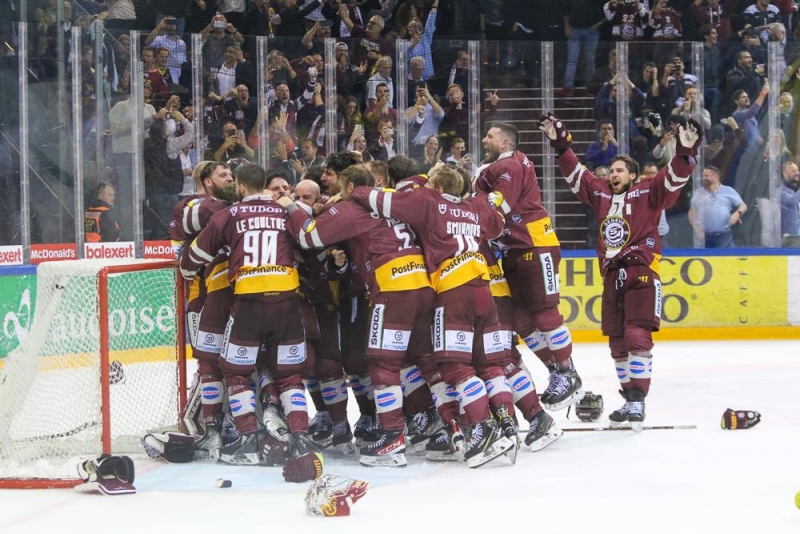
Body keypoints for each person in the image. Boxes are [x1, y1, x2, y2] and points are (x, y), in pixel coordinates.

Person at [539, 111, 701, 431]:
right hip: (611, 276)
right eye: (611, 170)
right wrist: (561, 147)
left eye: (619, 170)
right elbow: (579, 177)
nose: (613, 174)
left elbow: (673, 179)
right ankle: (629, 401)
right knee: (616, 342)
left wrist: (685, 153)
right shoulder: (600, 193)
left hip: (641, 271)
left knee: (635, 335)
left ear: (633, 175)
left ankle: (638, 402)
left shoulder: (648, 192)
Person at [350, 165, 518, 468]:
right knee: (491, 365)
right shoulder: (475, 205)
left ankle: (482, 429)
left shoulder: (428, 201)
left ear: (437, 188)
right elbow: (496, 226)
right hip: (485, 291)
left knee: (456, 368)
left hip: (453, 292)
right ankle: (507, 426)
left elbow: (379, 199)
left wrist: (355, 189)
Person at [180, 163, 317, 465]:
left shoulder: (228, 214)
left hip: (249, 302)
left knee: (235, 372)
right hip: (288, 301)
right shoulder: (285, 212)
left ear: (241, 186)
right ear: (267, 187)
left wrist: (187, 270)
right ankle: (302, 437)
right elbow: (310, 240)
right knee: (291, 374)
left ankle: (246, 438)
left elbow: (194, 256)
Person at [475, 123, 585, 412]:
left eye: (490, 135)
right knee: (523, 322)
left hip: (536, 245)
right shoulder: (507, 162)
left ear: (505, 142)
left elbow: (499, 206)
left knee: (547, 314)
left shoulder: (509, 164)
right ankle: (556, 371)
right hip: (515, 248)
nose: (485, 138)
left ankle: (568, 372)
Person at [688, 166, 747, 248]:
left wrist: (737, 214)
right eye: (703, 176)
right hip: (705, 237)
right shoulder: (699, 193)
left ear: (715, 176)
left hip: (724, 236)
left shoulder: (728, 191)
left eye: (706, 176)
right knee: (705, 260)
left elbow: (743, 206)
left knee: (726, 259)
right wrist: (697, 229)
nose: (703, 178)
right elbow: (691, 212)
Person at [780, 161, 800, 247]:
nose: (797, 173)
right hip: (789, 238)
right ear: (785, 174)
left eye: (797, 170)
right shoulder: (780, 192)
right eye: (793, 171)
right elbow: (792, 200)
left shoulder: (796, 189)